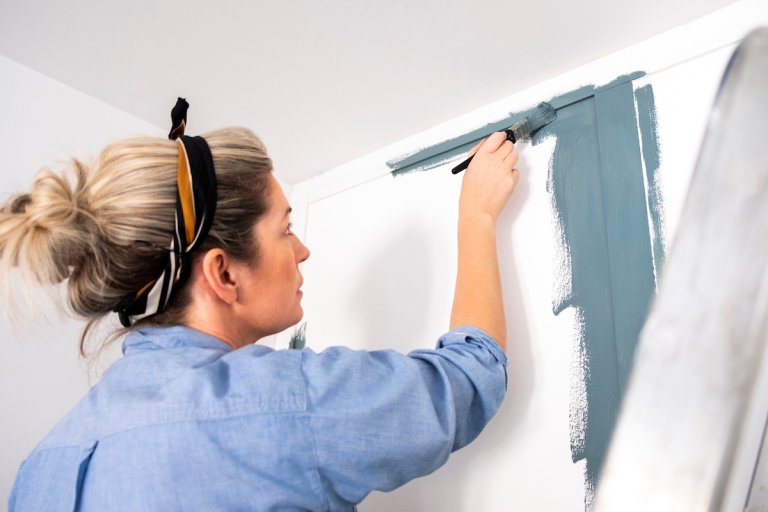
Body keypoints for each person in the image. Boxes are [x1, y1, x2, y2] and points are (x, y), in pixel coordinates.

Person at [3, 100, 520, 511]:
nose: (303, 250)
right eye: (286, 229)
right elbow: (470, 377)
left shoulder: (41, 469)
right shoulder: (280, 401)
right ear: (224, 273)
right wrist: (476, 215)